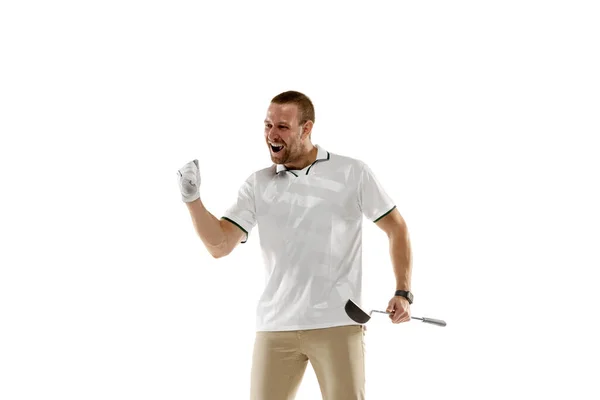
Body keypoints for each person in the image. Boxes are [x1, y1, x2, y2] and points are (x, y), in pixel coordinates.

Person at [177, 91, 413, 400]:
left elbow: (396, 228)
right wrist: (192, 200)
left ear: (306, 128)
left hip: (337, 323)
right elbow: (220, 245)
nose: (272, 135)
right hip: (275, 327)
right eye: (267, 125)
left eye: (283, 127)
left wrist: (402, 292)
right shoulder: (258, 184)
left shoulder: (352, 173)